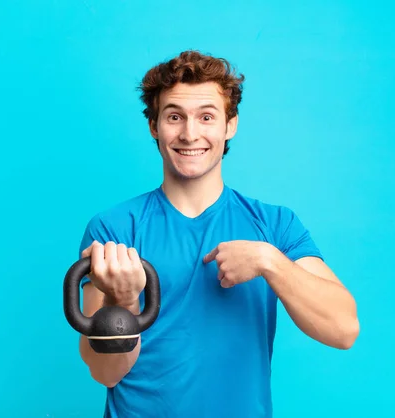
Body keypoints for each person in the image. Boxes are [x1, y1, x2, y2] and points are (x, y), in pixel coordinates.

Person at [76, 50, 359, 418]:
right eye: (174, 116)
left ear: (230, 125)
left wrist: (269, 261)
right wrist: (125, 301)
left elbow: (343, 330)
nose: (189, 133)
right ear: (154, 126)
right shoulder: (114, 230)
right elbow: (104, 372)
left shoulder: (275, 226)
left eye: (206, 117)